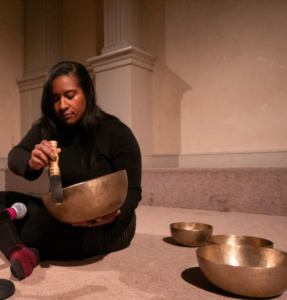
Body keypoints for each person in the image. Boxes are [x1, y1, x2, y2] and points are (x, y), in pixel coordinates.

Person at [0, 61, 142, 280]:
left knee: (35, 230)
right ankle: (21, 252)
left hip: (106, 224)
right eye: (56, 98)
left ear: (87, 92)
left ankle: (24, 245)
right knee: (3, 202)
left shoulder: (116, 132)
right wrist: (31, 161)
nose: (62, 105)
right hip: (63, 210)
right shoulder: (48, 127)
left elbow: (133, 191)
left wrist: (113, 216)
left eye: (70, 95)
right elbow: (15, 155)